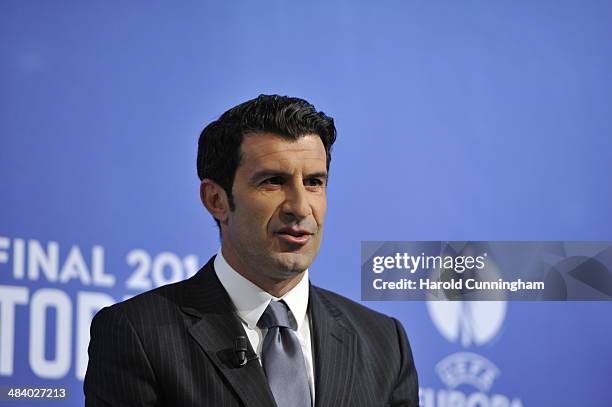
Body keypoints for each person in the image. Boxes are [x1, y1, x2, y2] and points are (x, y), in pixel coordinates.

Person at [84, 95, 418, 406]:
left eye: (314, 182)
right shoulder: (138, 334)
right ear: (217, 200)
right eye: (273, 181)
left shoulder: (385, 343)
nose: (301, 207)